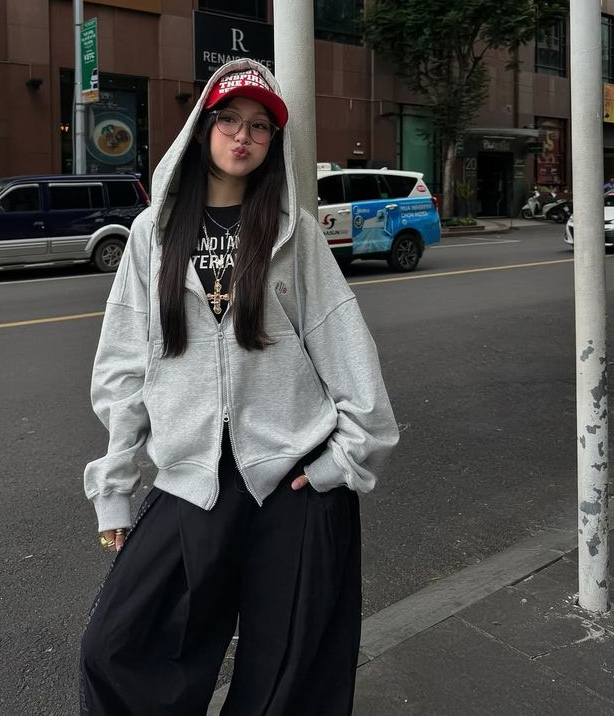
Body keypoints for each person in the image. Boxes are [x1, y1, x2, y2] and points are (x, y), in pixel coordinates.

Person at [80, 59, 399, 716]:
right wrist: (115, 485)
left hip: (294, 479)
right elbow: (123, 367)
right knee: (116, 646)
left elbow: (347, 348)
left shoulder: (292, 234)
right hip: (193, 476)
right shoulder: (153, 234)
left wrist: (343, 457)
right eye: (228, 119)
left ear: (273, 141)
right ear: (203, 128)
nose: (243, 136)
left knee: (288, 670)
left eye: (259, 126)